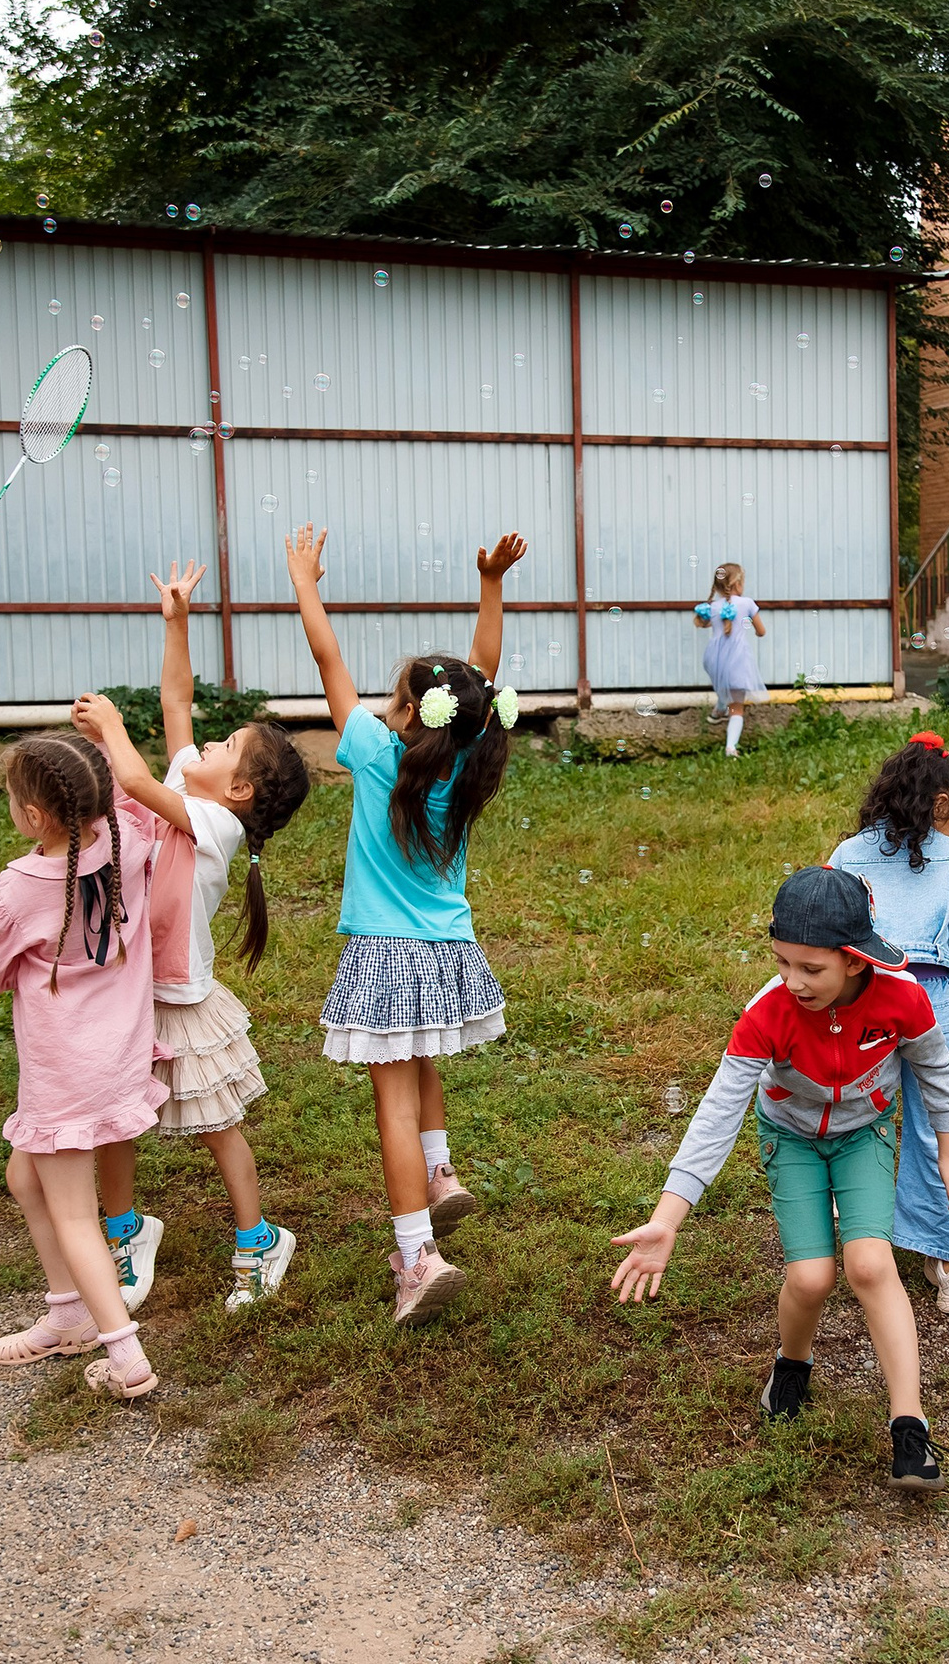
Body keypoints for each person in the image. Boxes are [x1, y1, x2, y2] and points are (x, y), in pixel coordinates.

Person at [608, 866, 949, 1491]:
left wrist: (948, 1150)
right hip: (793, 1138)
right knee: (811, 1276)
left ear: (856, 961)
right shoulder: (766, 1014)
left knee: (870, 1265)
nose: (792, 981)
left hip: (866, 1134)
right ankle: (793, 1363)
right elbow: (718, 1116)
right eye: (782, 962)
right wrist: (667, 1221)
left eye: (811, 969)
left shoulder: (902, 996)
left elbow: (936, 1070)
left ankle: (910, 1426)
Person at [288, 521, 528, 1325]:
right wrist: (491, 585)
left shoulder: (373, 752)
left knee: (390, 1095)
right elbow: (481, 677)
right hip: (445, 952)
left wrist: (306, 586)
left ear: (407, 710)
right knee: (420, 1059)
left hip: (385, 955)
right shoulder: (467, 761)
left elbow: (329, 663)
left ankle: (418, 1256)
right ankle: (441, 1170)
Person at [74, 560, 313, 1314]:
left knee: (217, 1126)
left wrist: (112, 727)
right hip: (124, 982)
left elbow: (141, 786)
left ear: (238, 790)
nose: (202, 745)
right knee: (115, 1114)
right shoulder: (196, 784)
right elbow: (177, 701)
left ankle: (260, 1240)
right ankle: (123, 1229)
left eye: (222, 748)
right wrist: (177, 622)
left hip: (178, 995)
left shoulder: (214, 824)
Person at [0, 731, 170, 1399]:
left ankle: (124, 1353)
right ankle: (67, 1311)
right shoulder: (129, 839)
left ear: (35, 816)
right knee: (26, 1177)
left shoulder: (22, 885)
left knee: (75, 1214)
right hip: (118, 1055)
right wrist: (106, 742)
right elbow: (131, 793)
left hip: (65, 1073)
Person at [829, 733, 949, 1313]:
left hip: (863, 992)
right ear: (944, 804)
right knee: (945, 1121)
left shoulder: (850, 852)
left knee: (853, 1108)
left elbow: (829, 919)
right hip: (934, 999)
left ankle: (847, 1223)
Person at [693, 561, 766, 756]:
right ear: (738, 583)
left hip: (713, 657)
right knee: (737, 706)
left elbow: (706, 624)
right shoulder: (748, 603)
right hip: (737, 658)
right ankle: (730, 747)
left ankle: (717, 711)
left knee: (724, 684)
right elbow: (761, 631)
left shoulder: (713, 606)